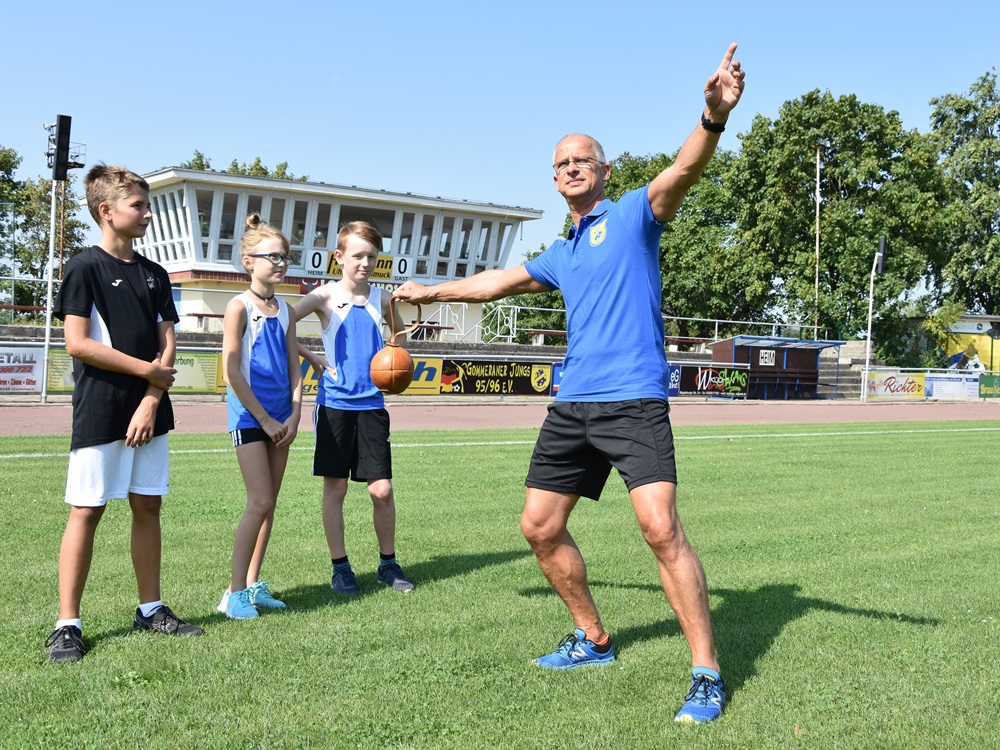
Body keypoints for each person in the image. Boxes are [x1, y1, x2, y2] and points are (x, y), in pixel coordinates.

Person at [394, 44, 745, 723]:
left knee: (660, 528)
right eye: (562, 163)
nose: (572, 167)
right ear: (554, 180)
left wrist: (712, 114)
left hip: (633, 399)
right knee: (539, 526)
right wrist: (430, 291)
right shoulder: (561, 252)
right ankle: (593, 639)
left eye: (583, 159)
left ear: (604, 171)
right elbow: (496, 282)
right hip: (573, 404)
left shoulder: (634, 215)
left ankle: (706, 672)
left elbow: (683, 170)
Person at [46, 165, 203, 663]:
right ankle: (67, 625)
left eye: (147, 204)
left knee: (148, 505)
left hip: (151, 410)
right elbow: (77, 343)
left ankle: (150, 609)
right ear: (106, 211)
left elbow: (168, 343)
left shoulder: (156, 274)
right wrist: (146, 373)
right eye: (138, 205)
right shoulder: (83, 267)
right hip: (101, 408)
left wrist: (152, 398)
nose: (147, 213)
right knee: (87, 510)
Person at [293, 221, 415, 596]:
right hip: (334, 405)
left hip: (372, 405)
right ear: (339, 256)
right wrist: (311, 356)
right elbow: (280, 323)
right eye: (358, 255)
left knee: (382, 490)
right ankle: (341, 569)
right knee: (337, 488)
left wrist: (395, 366)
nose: (365, 263)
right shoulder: (323, 296)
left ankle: (388, 565)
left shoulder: (383, 298)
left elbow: (400, 337)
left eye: (372, 257)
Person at [216, 214, 303, 619]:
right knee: (260, 500)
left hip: (282, 419)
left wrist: (296, 413)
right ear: (249, 262)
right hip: (251, 418)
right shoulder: (238, 307)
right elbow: (231, 371)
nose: (281, 263)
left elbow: (294, 368)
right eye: (273, 256)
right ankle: (232, 594)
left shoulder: (286, 310)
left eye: (285, 256)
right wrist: (265, 419)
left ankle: (252, 585)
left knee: (270, 505)